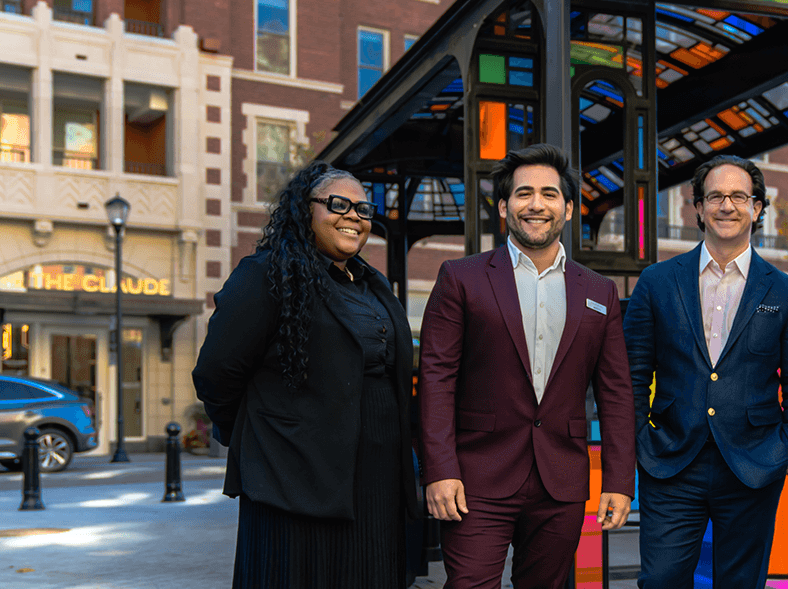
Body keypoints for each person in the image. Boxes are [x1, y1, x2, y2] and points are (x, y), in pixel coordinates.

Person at [418, 143, 636, 589]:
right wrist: (439, 470)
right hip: (476, 478)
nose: (536, 204)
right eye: (523, 193)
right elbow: (437, 380)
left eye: (550, 194)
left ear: (569, 208)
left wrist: (618, 479)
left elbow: (616, 392)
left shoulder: (599, 291)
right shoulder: (460, 278)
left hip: (562, 482)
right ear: (504, 206)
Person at [192, 161, 418, 588]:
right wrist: (262, 439)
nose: (353, 216)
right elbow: (217, 374)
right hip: (294, 480)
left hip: (375, 482)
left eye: (363, 209)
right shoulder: (265, 276)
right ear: (304, 210)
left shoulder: (373, 285)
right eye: (338, 204)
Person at [623, 155, 788, 588]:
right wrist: (640, 437)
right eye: (714, 196)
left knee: (740, 583)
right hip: (671, 460)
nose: (726, 205)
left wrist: (787, 448)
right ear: (697, 207)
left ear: (758, 208)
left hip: (753, 463)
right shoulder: (656, 282)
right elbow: (632, 373)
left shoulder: (786, 293)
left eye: (738, 196)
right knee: (661, 581)